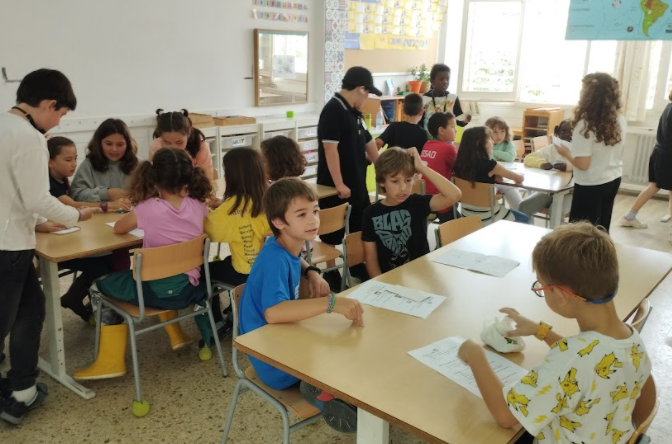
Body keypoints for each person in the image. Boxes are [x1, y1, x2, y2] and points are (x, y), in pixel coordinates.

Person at [458, 223, 651, 444]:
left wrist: (475, 354)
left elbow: (505, 415)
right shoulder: (633, 340)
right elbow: (591, 357)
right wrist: (541, 332)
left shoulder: (569, 359)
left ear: (560, 295)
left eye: (541, 287)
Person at [0, 68, 93, 425]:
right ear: (50, 104)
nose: (58, 123)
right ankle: (18, 393)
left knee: (31, 310)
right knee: (12, 318)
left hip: (13, 240)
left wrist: (38, 221)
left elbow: (12, 192)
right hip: (9, 246)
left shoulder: (5, 125)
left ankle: (22, 389)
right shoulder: (30, 137)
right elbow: (37, 197)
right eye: (61, 114)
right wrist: (76, 215)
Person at [73, 148, 213, 381]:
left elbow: (119, 228)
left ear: (154, 179)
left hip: (154, 292)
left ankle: (110, 361)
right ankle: (176, 334)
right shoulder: (198, 205)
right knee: (166, 271)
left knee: (97, 286)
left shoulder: (147, 208)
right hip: (189, 288)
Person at [239, 178, 364, 432]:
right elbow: (273, 312)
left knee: (342, 342)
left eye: (315, 211)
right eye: (302, 214)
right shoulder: (274, 260)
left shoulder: (281, 243)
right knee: (341, 345)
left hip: (283, 340)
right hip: (274, 361)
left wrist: (311, 272)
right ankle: (322, 392)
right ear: (278, 222)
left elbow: (295, 259)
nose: (313, 220)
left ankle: (328, 390)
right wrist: (330, 303)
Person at [316, 66, 381, 289]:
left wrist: (383, 168)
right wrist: (339, 184)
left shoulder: (355, 112)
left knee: (358, 225)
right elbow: (330, 149)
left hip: (357, 180)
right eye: (368, 93)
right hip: (335, 184)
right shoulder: (333, 110)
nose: (367, 98)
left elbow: (368, 141)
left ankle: (355, 264)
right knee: (331, 230)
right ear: (360, 89)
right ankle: (330, 271)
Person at [203, 148, 269, 355]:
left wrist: (208, 209)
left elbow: (207, 231)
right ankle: (236, 310)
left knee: (204, 271)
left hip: (245, 273)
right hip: (271, 270)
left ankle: (216, 322)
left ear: (230, 176)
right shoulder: (272, 198)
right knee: (228, 258)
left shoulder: (230, 208)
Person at [362, 147, 461, 277]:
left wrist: (421, 167)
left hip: (422, 274)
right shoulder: (370, 213)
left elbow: (454, 195)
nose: (403, 188)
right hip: (390, 279)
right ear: (381, 182)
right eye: (395, 181)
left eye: (408, 180)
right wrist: (380, 284)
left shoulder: (417, 203)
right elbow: (371, 259)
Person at [47, 136, 113, 323]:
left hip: (66, 237)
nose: (74, 164)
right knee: (100, 267)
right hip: (54, 246)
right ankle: (85, 303)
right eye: (68, 160)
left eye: (75, 158)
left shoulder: (61, 178)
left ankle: (78, 300)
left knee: (105, 261)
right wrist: (108, 205)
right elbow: (73, 206)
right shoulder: (48, 182)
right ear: (50, 162)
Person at [555, 73, 626, 232]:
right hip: (613, 177)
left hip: (591, 183)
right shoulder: (620, 119)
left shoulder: (585, 124)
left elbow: (583, 164)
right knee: (601, 228)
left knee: (582, 232)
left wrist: (565, 153)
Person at [620, 89, 672, 241]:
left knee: (654, 186)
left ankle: (629, 217)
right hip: (667, 155)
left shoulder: (669, 106)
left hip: (660, 153)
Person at [453, 127, 529, 224]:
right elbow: (519, 179)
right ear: (479, 143)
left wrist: (494, 178)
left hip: (466, 215)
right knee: (524, 218)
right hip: (489, 216)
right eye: (489, 138)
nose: (493, 142)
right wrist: (519, 175)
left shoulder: (458, 164)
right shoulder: (490, 165)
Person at [70, 118, 138, 209]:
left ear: (128, 144)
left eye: (120, 145)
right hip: (98, 216)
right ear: (99, 143)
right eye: (109, 144)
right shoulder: (88, 164)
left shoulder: (138, 164)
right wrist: (106, 193)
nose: (114, 149)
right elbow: (76, 195)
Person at [519, 120, 574, 224]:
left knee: (556, 211)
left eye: (572, 132)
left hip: (571, 193)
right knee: (524, 207)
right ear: (557, 133)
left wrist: (567, 167)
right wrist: (542, 163)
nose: (568, 135)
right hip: (550, 192)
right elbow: (528, 158)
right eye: (563, 131)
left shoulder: (581, 150)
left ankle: (558, 235)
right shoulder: (553, 148)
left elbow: (584, 167)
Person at [149, 109, 214, 180]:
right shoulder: (157, 146)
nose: (174, 148)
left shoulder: (201, 148)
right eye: (167, 143)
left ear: (189, 133)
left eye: (179, 142)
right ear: (161, 136)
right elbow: (152, 179)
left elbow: (206, 180)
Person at [421, 112, 459, 222]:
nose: (456, 130)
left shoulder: (427, 144)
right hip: (439, 198)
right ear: (441, 130)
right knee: (459, 225)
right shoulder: (448, 149)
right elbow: (461, 169)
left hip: (423, 196)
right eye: (453, 127)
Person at [420, 64, 472, 131]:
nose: (445, 82)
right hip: (428, 137)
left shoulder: (453, 98)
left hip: (448, 137)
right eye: (441, 79)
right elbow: (420, 121)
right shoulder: (425, 98)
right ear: (432, 81)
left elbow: (459, 121)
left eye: (447, 79)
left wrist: (465, 120)